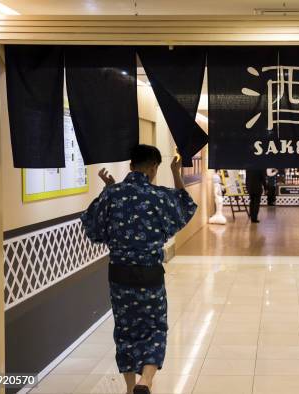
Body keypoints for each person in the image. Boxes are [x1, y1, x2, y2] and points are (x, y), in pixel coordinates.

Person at [80, 144, 197, 394]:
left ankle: (130, 387)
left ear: (131, 166)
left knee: (125, 330)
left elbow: (92, 228)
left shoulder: (112, 194)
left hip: (119, 275)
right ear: (154, 168)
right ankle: (145, 381)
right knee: (154, 327)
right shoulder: (159, 196)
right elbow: (186, 208)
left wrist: (109, 191)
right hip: (150, 275)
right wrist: (176, 173)